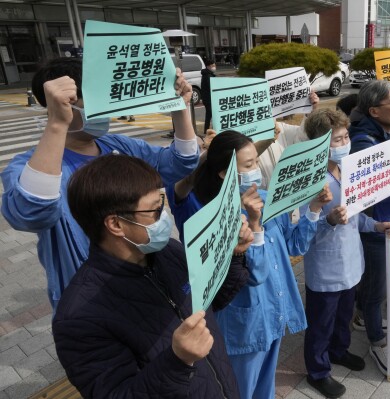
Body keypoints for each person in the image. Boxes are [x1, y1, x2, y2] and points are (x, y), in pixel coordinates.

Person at [1, 57, 199, 311]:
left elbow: (179, 163)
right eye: (92, 106)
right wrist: (56, 124)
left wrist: (180, 108)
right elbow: (31, 212)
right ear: (59, 105)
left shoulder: (119, 145)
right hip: (93, 299)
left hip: (144, 277)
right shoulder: (32, 166)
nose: (102, 113)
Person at [52, 154, 241, 398]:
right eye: (155, 209)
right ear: (116, 224)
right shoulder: (79, 317)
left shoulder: (170, 252)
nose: (164, 215)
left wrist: (234, 256)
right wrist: (178, 361)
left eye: (162, 202)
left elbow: (213, 302)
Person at [166, 131, 333, 399]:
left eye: (256, 162)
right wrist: (255, 227)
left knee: (265, 388)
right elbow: (255, 274)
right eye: (248, 165)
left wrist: (313, 209)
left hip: (275, 310)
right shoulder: (211, 215)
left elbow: (294, 246)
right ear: (225, 172)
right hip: (245, 322)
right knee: (240, 389)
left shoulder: (267, 196)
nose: (256, 170)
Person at [300, 109, 390, 398]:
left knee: (343, 315)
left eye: (345, 136)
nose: (343, 143)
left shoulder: (352, 170)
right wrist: (328, 220)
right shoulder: (309, 180)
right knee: (321, 322)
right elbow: (301, 232)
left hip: (352, 260)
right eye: (336, 139)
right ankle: (317, 371)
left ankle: (338, 351)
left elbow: (355, 215)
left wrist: (375, 225)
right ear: (319, 144)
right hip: (326, 266)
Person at [348, 80, 390, 377]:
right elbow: (384, 175)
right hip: (378, 225)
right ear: (375, 110)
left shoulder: (385, 132)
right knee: (378, 289)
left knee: (377, 283)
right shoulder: (364, 140)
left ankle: (364, 315)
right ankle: (377, 341)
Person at [200, 59, 216, 134]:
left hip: (207, 99)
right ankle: (209, 130)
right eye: (213, 65)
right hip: (209, 99)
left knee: (209, 115)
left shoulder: (207, 74)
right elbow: (212, 87)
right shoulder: (208, 76)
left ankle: (206, 130)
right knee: (212, 115)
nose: (214, 67)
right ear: (208, 66)